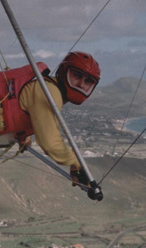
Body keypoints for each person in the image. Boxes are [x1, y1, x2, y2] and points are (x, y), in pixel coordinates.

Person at [18, 51, 100, 189]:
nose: (81, 84)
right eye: (76, 75)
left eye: (88, 82)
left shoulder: (48, 87)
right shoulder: (49, 91)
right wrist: (76, 163)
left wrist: (22, 133)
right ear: (63, 72)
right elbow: (50, 144)